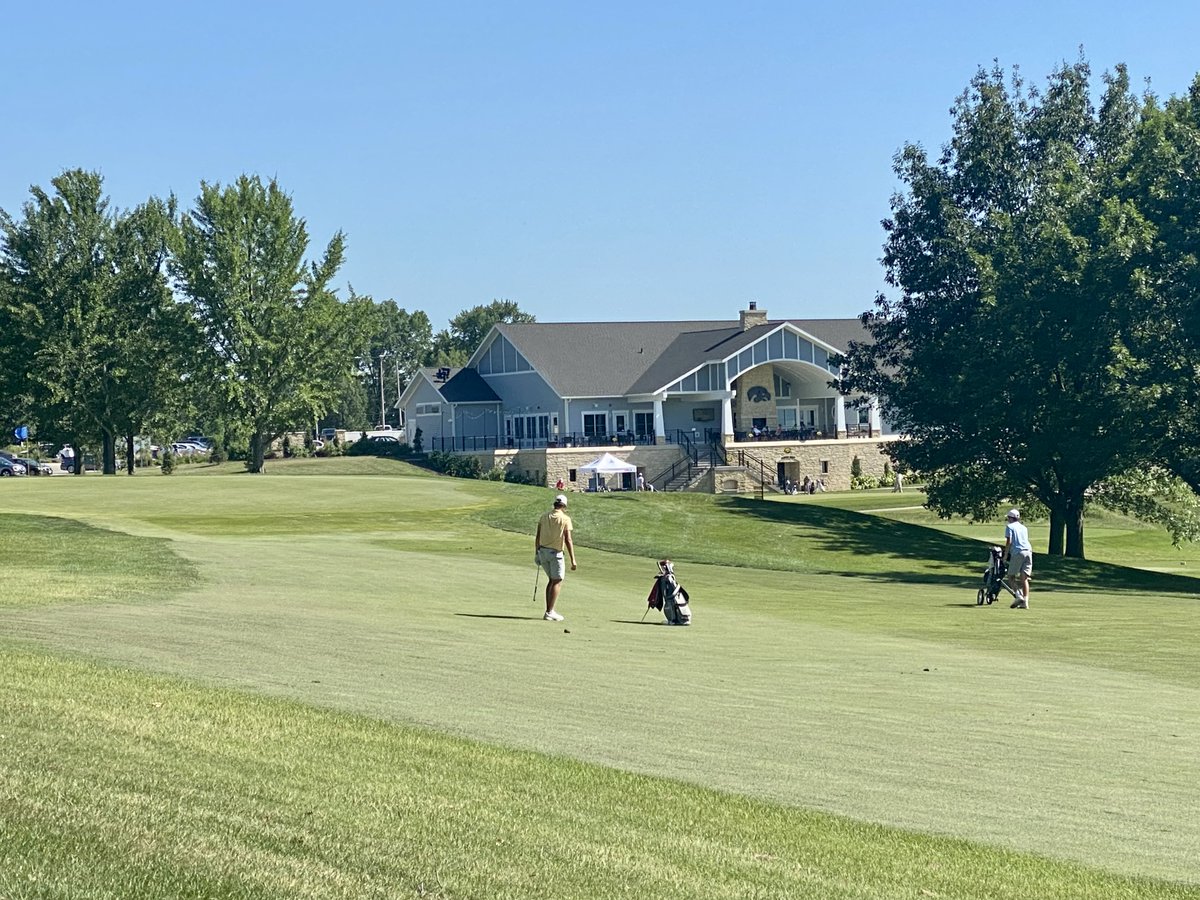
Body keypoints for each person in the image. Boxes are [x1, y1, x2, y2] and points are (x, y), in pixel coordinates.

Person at [535, 493, 577, 621]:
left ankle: (549, 611)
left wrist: (537, 553)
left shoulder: (544, 516)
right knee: (557, 581)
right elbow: (568, 540)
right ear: (564, 506)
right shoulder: (565, 519)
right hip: (555, 554)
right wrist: (573, 560)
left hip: (542, 552)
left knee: (552, 580)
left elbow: (537, 536)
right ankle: (549, 612)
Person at [1004, 508, 1033, 609]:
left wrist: (1005, 555)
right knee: (1024, 578)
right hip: (1028, 551)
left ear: (1010, 518)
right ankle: (1026, 602)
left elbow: (1009, 541)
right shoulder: (1024, 528)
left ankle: (1019, 596)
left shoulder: (1009, 527)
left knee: (1011, 576)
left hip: (1018, 552)